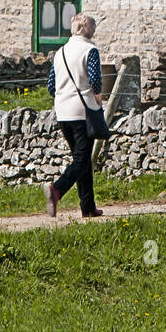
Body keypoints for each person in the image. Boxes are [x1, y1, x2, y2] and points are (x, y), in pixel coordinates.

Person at [43, 13, 105, 218]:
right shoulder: (90, 50)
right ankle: (57, 189)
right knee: (81, 159)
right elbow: (95, 80)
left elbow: (51, 85)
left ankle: (88, 207)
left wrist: (63, 95)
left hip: (62, 111)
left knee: (82, 159)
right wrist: (98, 97)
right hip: (82, 110)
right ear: (89, 30)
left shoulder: (59, 52)